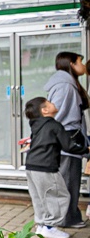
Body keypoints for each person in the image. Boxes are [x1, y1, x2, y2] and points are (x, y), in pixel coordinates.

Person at [24, 96, 87, 238]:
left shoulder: (36, 125)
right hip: (46, 167)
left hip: (31, 166)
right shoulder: (54, 125)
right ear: (45, 110)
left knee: (40, 196)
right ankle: (50, 226)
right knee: (60, 195)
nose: (54, 103)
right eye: (50, 103)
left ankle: (41, 225)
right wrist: (86, 149)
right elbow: (68, 146)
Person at [45, 52, 90, 228]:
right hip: (67, 141)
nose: (83, 65)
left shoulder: (66, 84)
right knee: (69, 180)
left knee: (69, 180)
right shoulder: (65, 86)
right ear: (71, 64)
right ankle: (66, 219)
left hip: (67, 139)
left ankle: (69, 217)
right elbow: (56, 114)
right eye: (80, 61)